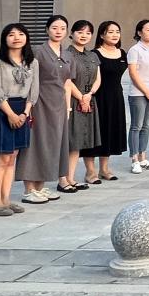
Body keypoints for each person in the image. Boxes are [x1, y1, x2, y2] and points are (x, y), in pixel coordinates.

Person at [17, 15, 80, 204]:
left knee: (53, 144)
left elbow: (67, 82)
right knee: (36, 143)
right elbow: (27, 78)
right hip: (39, 102)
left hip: (58, 105)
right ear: (47, 30)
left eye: (62, 28)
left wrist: (68, 107)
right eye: (54, 27)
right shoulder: (37, 51)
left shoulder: (68, 55)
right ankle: (29, 189)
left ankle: (40, 186)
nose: (58, 31)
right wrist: (28, 105)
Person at [0, 23, 37, 216]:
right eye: (11, 35)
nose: (16, 38)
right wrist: (11, 114)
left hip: (23, 110)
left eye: (21, 34)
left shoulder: (32, 63)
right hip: (2, 111)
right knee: (2, 158)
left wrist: (24, 113)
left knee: (12, 157)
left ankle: (6, 199)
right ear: (4, 39)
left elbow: (33, 91)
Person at [84, 20, 128, 182]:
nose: (115, 35)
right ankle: (90, 172)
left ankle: (104, 169)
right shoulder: (94, 54)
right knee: (95, 133)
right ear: (102, 35)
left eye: (117, 31)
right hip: (98, 98)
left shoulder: (122, 53)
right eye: (110, 32)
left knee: (109, 131)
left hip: (116, 97)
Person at [61, 20, 101, 192]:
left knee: (77, 142)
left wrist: (89, 94)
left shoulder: (93, 55)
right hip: (70, 100)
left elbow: (98, 78)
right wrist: (81, 97)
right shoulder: (66, 54)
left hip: (89, 99)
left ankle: (71, 178)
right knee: (69, 140)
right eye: (80, 32)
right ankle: (62, 179)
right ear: (72, 34)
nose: (84, 35)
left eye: (88, 33)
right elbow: (66, 80)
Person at [125, 19, 149, 175]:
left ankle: (143, 158)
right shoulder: (134, 50)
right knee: (136, 126)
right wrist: (146, 91)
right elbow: (133, 73)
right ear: (139, 32)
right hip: (138, 93)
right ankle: (134, 160)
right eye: (148, 30)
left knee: (146, 125)